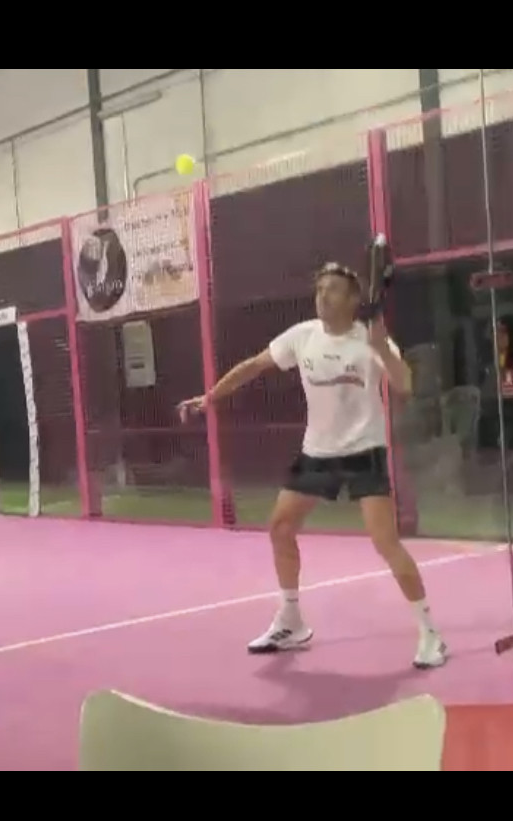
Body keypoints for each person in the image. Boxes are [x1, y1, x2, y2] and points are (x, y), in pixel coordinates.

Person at [179, 263, 448, 668]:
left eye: (333, 289)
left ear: (354, 300)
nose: (323, 296)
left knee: (385, 542)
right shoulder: (302, 336)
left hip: (363, 452)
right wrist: (210, 397)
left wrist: (380, 346)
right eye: (320, 289)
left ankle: (430, 634)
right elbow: (254, 365)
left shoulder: (370, 339)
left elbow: (405, 385)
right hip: (317, 453)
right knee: (280, 527)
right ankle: (291, 621)